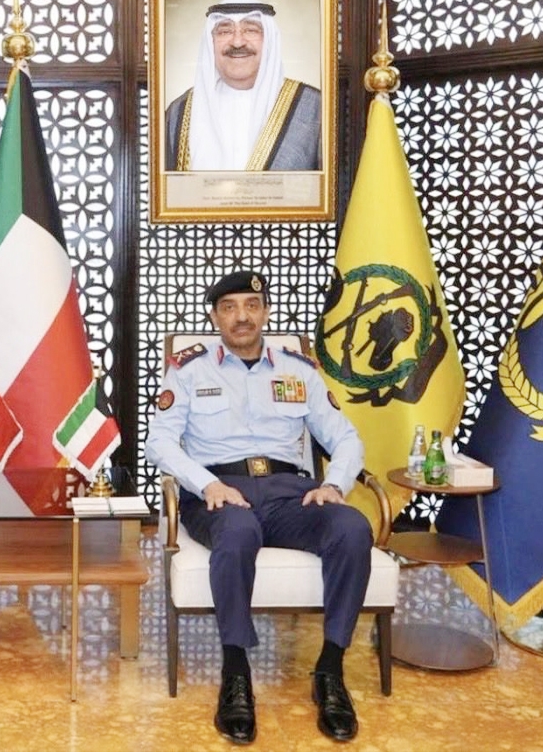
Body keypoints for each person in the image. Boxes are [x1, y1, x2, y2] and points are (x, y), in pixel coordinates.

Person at [146, 271, 371, 745]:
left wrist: (333, 484)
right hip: (218, 492)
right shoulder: (189, 371)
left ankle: (330, 670)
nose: (242, 316)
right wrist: (207, 484)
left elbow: (346, 437)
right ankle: (236, 673)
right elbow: (160, 442)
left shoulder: (299, 370)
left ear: (265, 312)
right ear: (215, 317)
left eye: (251, 305)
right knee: (237, 532)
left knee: (351, 528)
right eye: (229, 307)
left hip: (290, 492)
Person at [165, 0, 322, 172]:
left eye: (251, 30)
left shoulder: (315, 108)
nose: (237, 42)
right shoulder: (179, 112)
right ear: (211, 43)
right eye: (224, 32)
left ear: (269, 40)